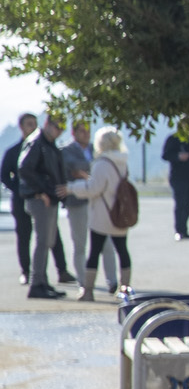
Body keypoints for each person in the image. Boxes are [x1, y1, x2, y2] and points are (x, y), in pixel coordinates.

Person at [71, 127, 134, 298]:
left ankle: (88, 290)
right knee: (122, 250)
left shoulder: (102, 163)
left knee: (94, 251)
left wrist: (73, 187)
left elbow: (94, 188)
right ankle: (125, 287)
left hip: (102, 214)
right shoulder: (123, 162)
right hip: (120, 213)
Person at [16, 115, 71, 300]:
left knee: (48, 242)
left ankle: (43, 281)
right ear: (47, 124)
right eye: (56, 127)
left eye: (61, 128)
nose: (58, 131)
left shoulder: (50, 144)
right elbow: (24, 168)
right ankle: (36, 284)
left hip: (50, 199)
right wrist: (41, 191)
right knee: (41, 242)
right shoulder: (36, 142)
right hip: (40, 200)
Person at [59, 121, 94, 287]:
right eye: (82, 131)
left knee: (106, 244)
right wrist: (80, 172)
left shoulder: (96, 149)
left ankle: (112, 281)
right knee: (80, 243)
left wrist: (82, 173)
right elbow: (70, 168)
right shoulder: (66, 150)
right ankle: (83, 280)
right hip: (76, 202)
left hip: (96, 201)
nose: (86, 134)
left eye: (88, 131)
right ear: (74, 133)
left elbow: (93, 170)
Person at [4, 112, 37, 283]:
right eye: (29, 124)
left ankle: (57, 271)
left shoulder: (41, 149)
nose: (33, 127)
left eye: (34, 124)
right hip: (20, 200)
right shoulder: (13, 151)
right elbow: (3, 175)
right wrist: (18, 189)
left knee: (48, 238)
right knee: (24, 237)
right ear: (22, 127)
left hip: (40, 199)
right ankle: (26, 271)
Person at [162, 122, 189, 240]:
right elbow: (165, 155)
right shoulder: (173, 139)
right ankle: (179, 230)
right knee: (180, 203)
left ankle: (185, 229)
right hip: (178, 177)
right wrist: (178, 157)